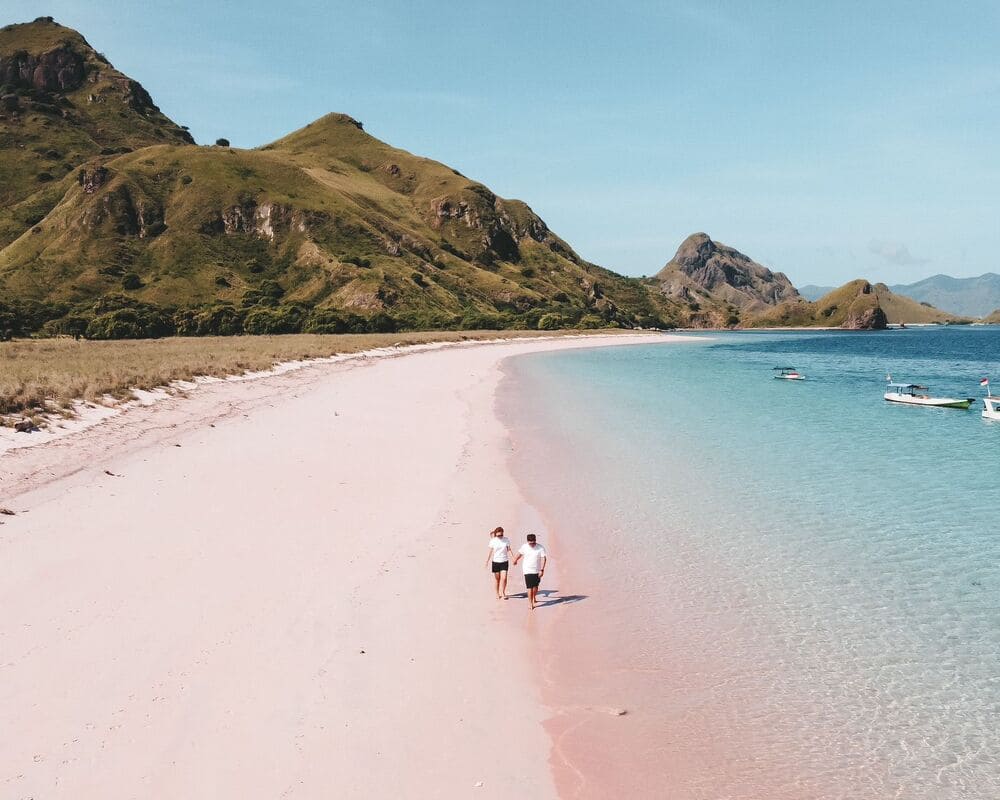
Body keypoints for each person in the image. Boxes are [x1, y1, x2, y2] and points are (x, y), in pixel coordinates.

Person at [513, 533, 547, 610]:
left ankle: (534, 596)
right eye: (530, 543)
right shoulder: (524, 547)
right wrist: (515, 559)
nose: (532, 544)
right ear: (527, 541)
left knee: (535, 587)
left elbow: (544, 558)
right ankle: (530, 603)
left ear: (535, 540)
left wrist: (542, 569)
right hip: (527, 570)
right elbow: (519, 554)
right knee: (529, 587)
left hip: (537, 570)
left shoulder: (540, 548)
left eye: (533, 542)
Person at [485, 526, 513, 600]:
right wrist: (487, 561)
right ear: (495, 534)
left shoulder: (506, 540)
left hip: (504, 561)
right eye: (498, 535)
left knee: (504, 578)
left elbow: (509, 549)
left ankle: (503, 592)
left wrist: (513, 558)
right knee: (497, 579)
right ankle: (497, 593)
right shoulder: (493, 541)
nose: (500, 536)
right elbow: (490, 551)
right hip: (496, 562)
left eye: (501, 535)